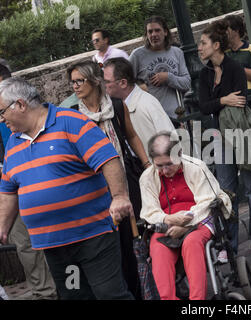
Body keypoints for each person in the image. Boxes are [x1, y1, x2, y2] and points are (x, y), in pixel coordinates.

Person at [0, 78, 134, 300]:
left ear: (21, 105)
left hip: (93, 236)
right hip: (54, 245)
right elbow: (8, 190)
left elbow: (108, 159)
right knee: (76, 296)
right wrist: (2, 228)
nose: (1, 119)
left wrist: (119, 197)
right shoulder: (14, 142)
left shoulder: (71, 122)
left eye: (2, 112)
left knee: (110, 295)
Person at [67, 60, 150, 299]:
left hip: (125, 180)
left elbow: (132, 136)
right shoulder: (73, 115)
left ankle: (141, 288)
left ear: (94, 81)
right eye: (72, 82)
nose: (75, 86)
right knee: (109, 242)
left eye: (79, 81)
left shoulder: (115, 105)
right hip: (95, 187)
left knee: (132, 239)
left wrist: (146, 165)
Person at [198, 20, 251, 261]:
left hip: (242, 132)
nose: (199, 47)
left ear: (216, 45)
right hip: (219, 137)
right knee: (226, 193)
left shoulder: (234, 67)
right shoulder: (204, 73)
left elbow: (238, 99)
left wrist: (219, 102)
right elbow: (203, 105)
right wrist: (222, 101)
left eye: (203, 43)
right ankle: (228, 246)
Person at [139, 132, 232, 300]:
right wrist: (168, 219)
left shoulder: (197, 167)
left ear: (179, 154)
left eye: (169, 164)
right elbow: (149, 211)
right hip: (167, 223)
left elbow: (207, 201)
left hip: (200, 219)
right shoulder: (147, 178)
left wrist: (185, 226)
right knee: (157, 248)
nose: (165, 170)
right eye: (159, 166)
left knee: (192, 242)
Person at [0, 65, 58, 300]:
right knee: (23, 243)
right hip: (8, 186)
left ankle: (64, 288)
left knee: (52, 238)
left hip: (37, 182)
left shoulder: (27, 112)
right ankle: (45, 293)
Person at [103, 57, 175, 156]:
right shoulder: (115, 107)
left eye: (106, 82)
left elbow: (171, 143)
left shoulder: (147, 104)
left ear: (123, 83)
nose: (103, 85)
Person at [129, 16, 191, 120]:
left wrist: (168, 77)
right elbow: (124, 83)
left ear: (165, 32)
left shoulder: (176, 52)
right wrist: (139, 89)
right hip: (152, 116)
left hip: (178, 115)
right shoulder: (137, 55)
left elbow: (187, 83)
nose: (154, 35)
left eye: (157, 30)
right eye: (150, 32)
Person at [223, 14, 251, 112]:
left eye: (226, 29)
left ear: (236, 30)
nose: (224, 32)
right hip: (232, 99)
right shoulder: (223, 53)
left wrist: (236, 67)